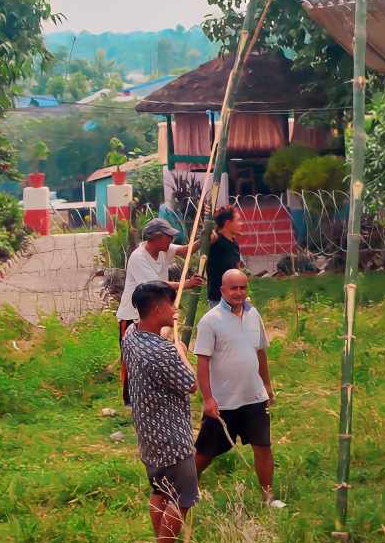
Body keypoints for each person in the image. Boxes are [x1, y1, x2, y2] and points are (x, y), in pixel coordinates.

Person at [120, 281, 198, 543]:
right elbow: (190, 384)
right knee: (182, 498)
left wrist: (170, 345)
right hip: (172, 437)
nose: (174, 309)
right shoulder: (164, 353)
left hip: (148, 433)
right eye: (169, 304)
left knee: (159, 493)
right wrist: (180, 353)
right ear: (156, 309)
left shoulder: (130, 335)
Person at [193, 268, 283, 509]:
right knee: (205, 452)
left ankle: (268, 497)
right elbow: (202, 363)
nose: (239, 293)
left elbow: (260, 352)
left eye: (243, 288)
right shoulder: (210, 321)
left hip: (253, 396)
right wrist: (208, 399)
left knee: (263, 446)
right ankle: (187, 489)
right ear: (222, 290)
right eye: (234, 288)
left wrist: (267, 385)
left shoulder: (254, 315)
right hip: (223, 402)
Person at [117, 218, 194, 404]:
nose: (170, 240)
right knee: (131, 356)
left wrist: (207, 238)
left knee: (153, 351)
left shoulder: (162, 251)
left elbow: (185, 250)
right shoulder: (139, 257)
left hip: (152, 314)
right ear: (157, 237)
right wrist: (186, 284)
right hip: (132, 314)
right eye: (168, 237)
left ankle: (154, 388)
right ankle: (130, 398)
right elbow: (155, 286)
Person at [203, 205, 243, 304]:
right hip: (219, 300)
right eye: (238, 220)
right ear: (228, 223)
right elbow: (205, 237)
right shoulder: (215, 242)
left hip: (235, 298)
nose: (241, 224)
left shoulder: (234, 244)